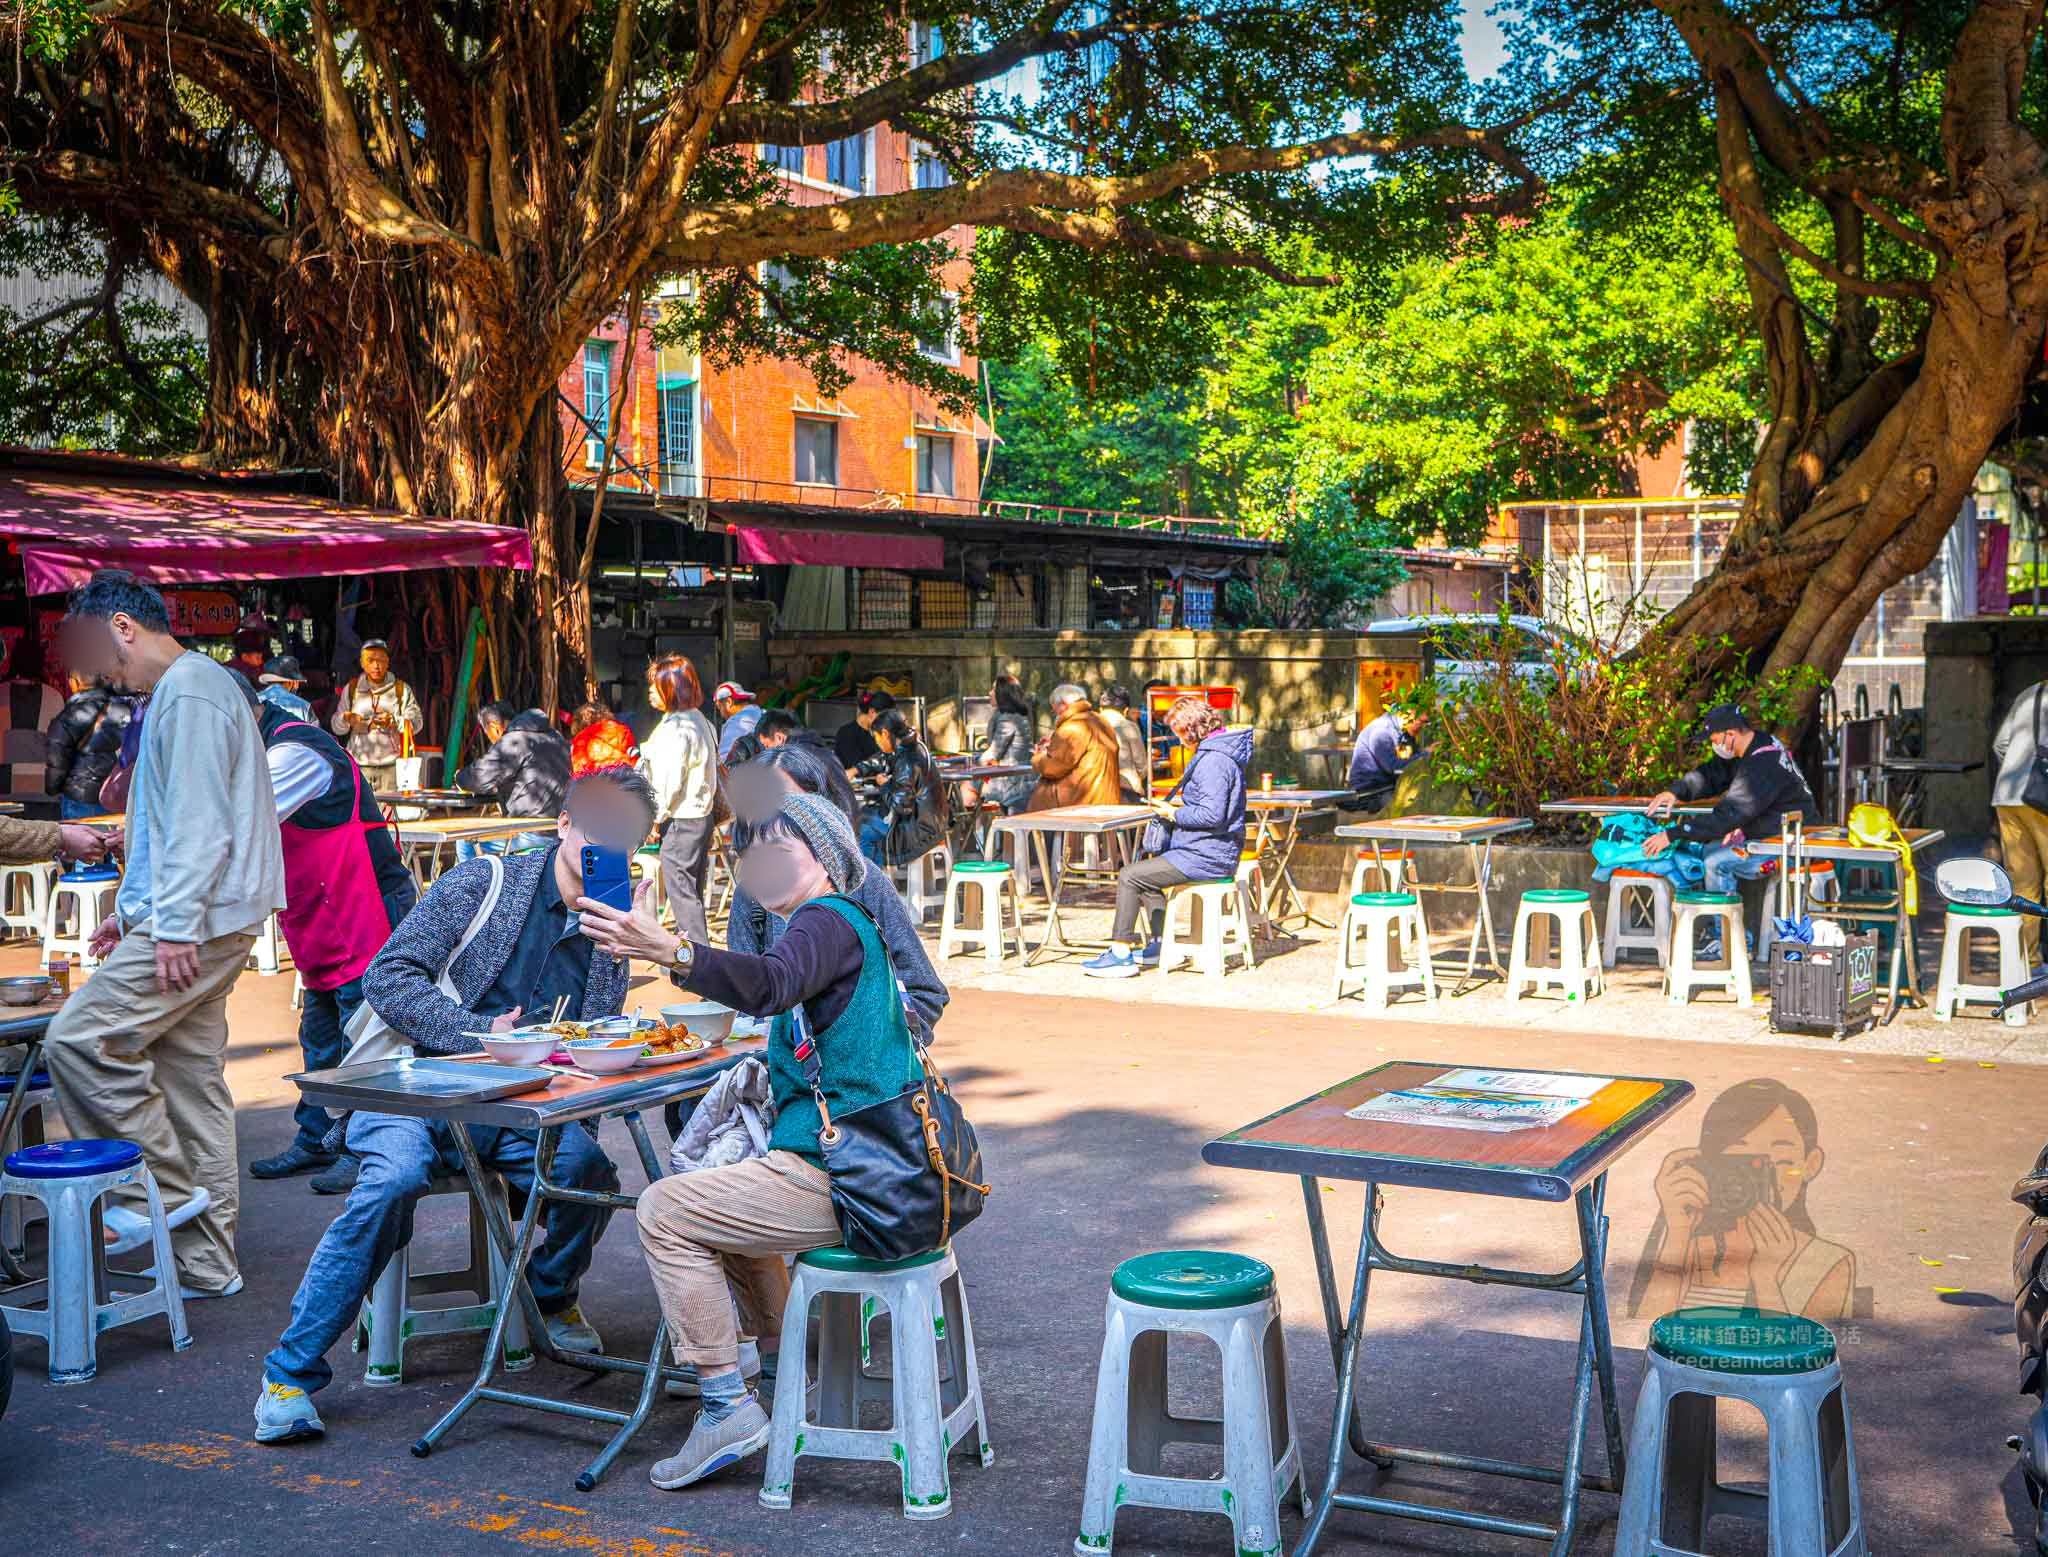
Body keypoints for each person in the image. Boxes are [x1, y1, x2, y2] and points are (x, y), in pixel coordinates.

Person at [252, 768, 644, 1445]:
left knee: (589, 1170)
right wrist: (478, 1033)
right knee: (394, 1179)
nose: (608, 844)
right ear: (563, 825)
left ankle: (547, 1294)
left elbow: (595, 1026)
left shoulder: (613, 905)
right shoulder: (486, 882)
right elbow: (388, 976)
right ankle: (288, 1374)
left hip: (517, 1104)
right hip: (420, 1086)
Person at [574, 791, 927, 1491]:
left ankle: (726, 1402)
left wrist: (673, 949)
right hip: (878, 1169)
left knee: (664, 1209)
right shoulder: (837, 926)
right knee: (725, 1191)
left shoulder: (825, 921)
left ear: (823, 858)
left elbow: (769, 983)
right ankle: (772, 1363)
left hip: (849, 1179)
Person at [44, 570, 286, 1301]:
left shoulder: (193, 690)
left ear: (123, 627)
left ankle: (159, 1194)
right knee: (189, 1079)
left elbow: (201, 828)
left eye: (100, 654)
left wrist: (171, 921)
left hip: (202, 921)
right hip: (199, 917)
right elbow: (173, 825)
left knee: (78, 1040)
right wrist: (138, 909)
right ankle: (207, 1260)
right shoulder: (181, 693)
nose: (100, 673)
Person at [245, 691, 420, 1190]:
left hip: (364, 904)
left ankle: (363, 1147)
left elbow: (240, 823)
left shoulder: (295, 751)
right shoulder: (265, 750)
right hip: (321, 913)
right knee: (320, 1035)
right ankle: (316, 1140)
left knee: (366, 1037)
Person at [725, 743, 947, 1038]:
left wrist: (862, 1051)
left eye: (787, 804)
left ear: (822, 812)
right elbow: (746, 1001)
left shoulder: (865, 882)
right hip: (780, 1078)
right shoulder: (750, 896)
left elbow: (924, 993)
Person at [1629, 1078, 1853, 1323]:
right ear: (1710, 1162)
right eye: (1743, 1163)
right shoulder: (1685, 1240)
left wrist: (1766, 1279)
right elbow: (1648, 1334)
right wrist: (1677, 1232)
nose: (1760, 1181)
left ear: (1810, 1164)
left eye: (1780, 1161)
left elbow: (1794, 1353)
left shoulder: (1826, 1262)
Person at [1084, 697, 1250, 978]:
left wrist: (1174, 813)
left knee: (1129, 875)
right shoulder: (1217, 753)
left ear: (1191, 728)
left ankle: (1121, 953)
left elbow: (1212, 815)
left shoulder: (1214, 761)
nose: (1176, 737)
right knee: (1145, 876)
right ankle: (1161, 944)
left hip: (1208, 854)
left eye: (1177, 730)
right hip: (1207, 850)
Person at [1644, 702, 1818, 913]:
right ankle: (1709, 922)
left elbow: (1728, 815)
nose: (1714, 746)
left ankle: (1724, 938)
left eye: (1715, 741)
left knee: (1714, 863)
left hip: (1791, 845)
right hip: (1773, 833)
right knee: (1706, 850)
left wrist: (1673, 834)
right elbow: (1713, 773)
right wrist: (1676, 791)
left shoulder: (1762, 763)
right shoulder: (1756, 744)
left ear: (1730, 734)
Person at [639, 654, 720, 945]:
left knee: (682, 894)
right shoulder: (700, 721)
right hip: (701, 817)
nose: (650, 691)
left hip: (682, 820)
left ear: (672, 689)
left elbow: (669, 782)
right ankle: (682, 954)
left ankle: (698, 964)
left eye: (656, 686)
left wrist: (654, 817)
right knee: (690, 891)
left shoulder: (677, 729)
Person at [455, 703, 572, 855]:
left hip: (531, 832)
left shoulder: (514, 741)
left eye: (487, 733)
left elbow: (479, 776)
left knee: (465, 841)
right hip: (558, 827)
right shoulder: (556, 737)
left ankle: (471, 880)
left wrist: (459, 777)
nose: (492, 740)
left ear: (494, 727)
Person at [1992, 676, 2048, 963]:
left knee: (2024, 883)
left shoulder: (2030, 692)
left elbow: (2001, 744)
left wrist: (2022, 772)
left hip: (2009, 795)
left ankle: (2026, 960)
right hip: (2043, 801)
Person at [850, 708, 949, 867]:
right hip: (931, 823)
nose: (877, 743)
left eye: (876, 738)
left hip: (918, 830)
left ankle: (873, 883)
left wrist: (884, 786)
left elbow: (901, 806)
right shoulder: (914, 746)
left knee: (860, 833)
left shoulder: (907, 760)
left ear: (885, 734)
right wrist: (857, 769)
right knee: (863, 816)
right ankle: (879, 877)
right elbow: (883, 758)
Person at [330, 639, 422, 793]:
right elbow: (336, 727)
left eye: (380, 660)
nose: (376, 666)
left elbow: (417, 723)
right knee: (362, 814)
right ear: (362, 663)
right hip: (360, 767)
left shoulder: (401, 690)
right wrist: (346, 719)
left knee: (389, 814)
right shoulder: (352, 689)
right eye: (370, 660)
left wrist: (394, 721)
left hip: (392, 767)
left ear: (388, 662)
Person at [44, 670, 135, 819]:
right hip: (115, 795)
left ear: (77, 681)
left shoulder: (73, 710)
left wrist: (53, 787)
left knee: (79, 839)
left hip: (80, 794)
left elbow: (57, 750)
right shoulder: (127, 707)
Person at [1026, 683, 1121, 812]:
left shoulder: (1073, 726)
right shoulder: (1100, 720)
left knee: (1021, 803)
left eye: (1054, 708)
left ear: (1063, 705)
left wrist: (1038, 757)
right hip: (1105, 799)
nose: (1054, 712)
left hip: (1080, 802)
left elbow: (1053, 767)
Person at [970, 676, 1036, 814]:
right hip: (1016, 776)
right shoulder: (1013, 714)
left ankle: (964, 829)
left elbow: (993, 753)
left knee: (967, 784)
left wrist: (973, 763)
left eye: (994, 689)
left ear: (1003, 694)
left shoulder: (1008, 719)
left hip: (1013, 781)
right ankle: (974, 828)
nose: (990, 693)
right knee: (973, 784)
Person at [1348, 702, 1426, 797]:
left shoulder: (1404, 731)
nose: (1422, 726)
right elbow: (1394, 768)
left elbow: (1411, 760)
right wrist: (1425, 755)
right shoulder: (1381, 732)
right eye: (1421, 721)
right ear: (1408, 715)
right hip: (1369, 791)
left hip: (1387, 786)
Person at [1097, 684, 1150, 802]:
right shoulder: (1128, 726)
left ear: (1100, 709)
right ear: (1126, 710)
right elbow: (1141, 765)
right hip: (1126, 790)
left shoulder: (1088, 725)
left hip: (1096, 790)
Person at [570, 700, 639, 775]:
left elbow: (577, 771)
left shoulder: (576, 743)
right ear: (605, 713)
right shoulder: (620, 729)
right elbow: (633, 757)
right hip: (621, 778)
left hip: (590, 783)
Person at [834, 688, 894, 770]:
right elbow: (857, 767)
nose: (887, 720)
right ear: (872, 712)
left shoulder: (881, 732)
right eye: (884, 716)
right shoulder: (846, 733)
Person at [711, 681, 764, 762]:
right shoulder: (761, 713)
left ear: (729, 702)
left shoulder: (736, 723)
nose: (721, 714)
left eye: (719, 707)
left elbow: (725, 762)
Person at [258, 655, 315, 724]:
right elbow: (316, 732)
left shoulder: (253, 701)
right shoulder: (304, 706)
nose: (297, 687)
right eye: (297, 683)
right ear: (292, 683)